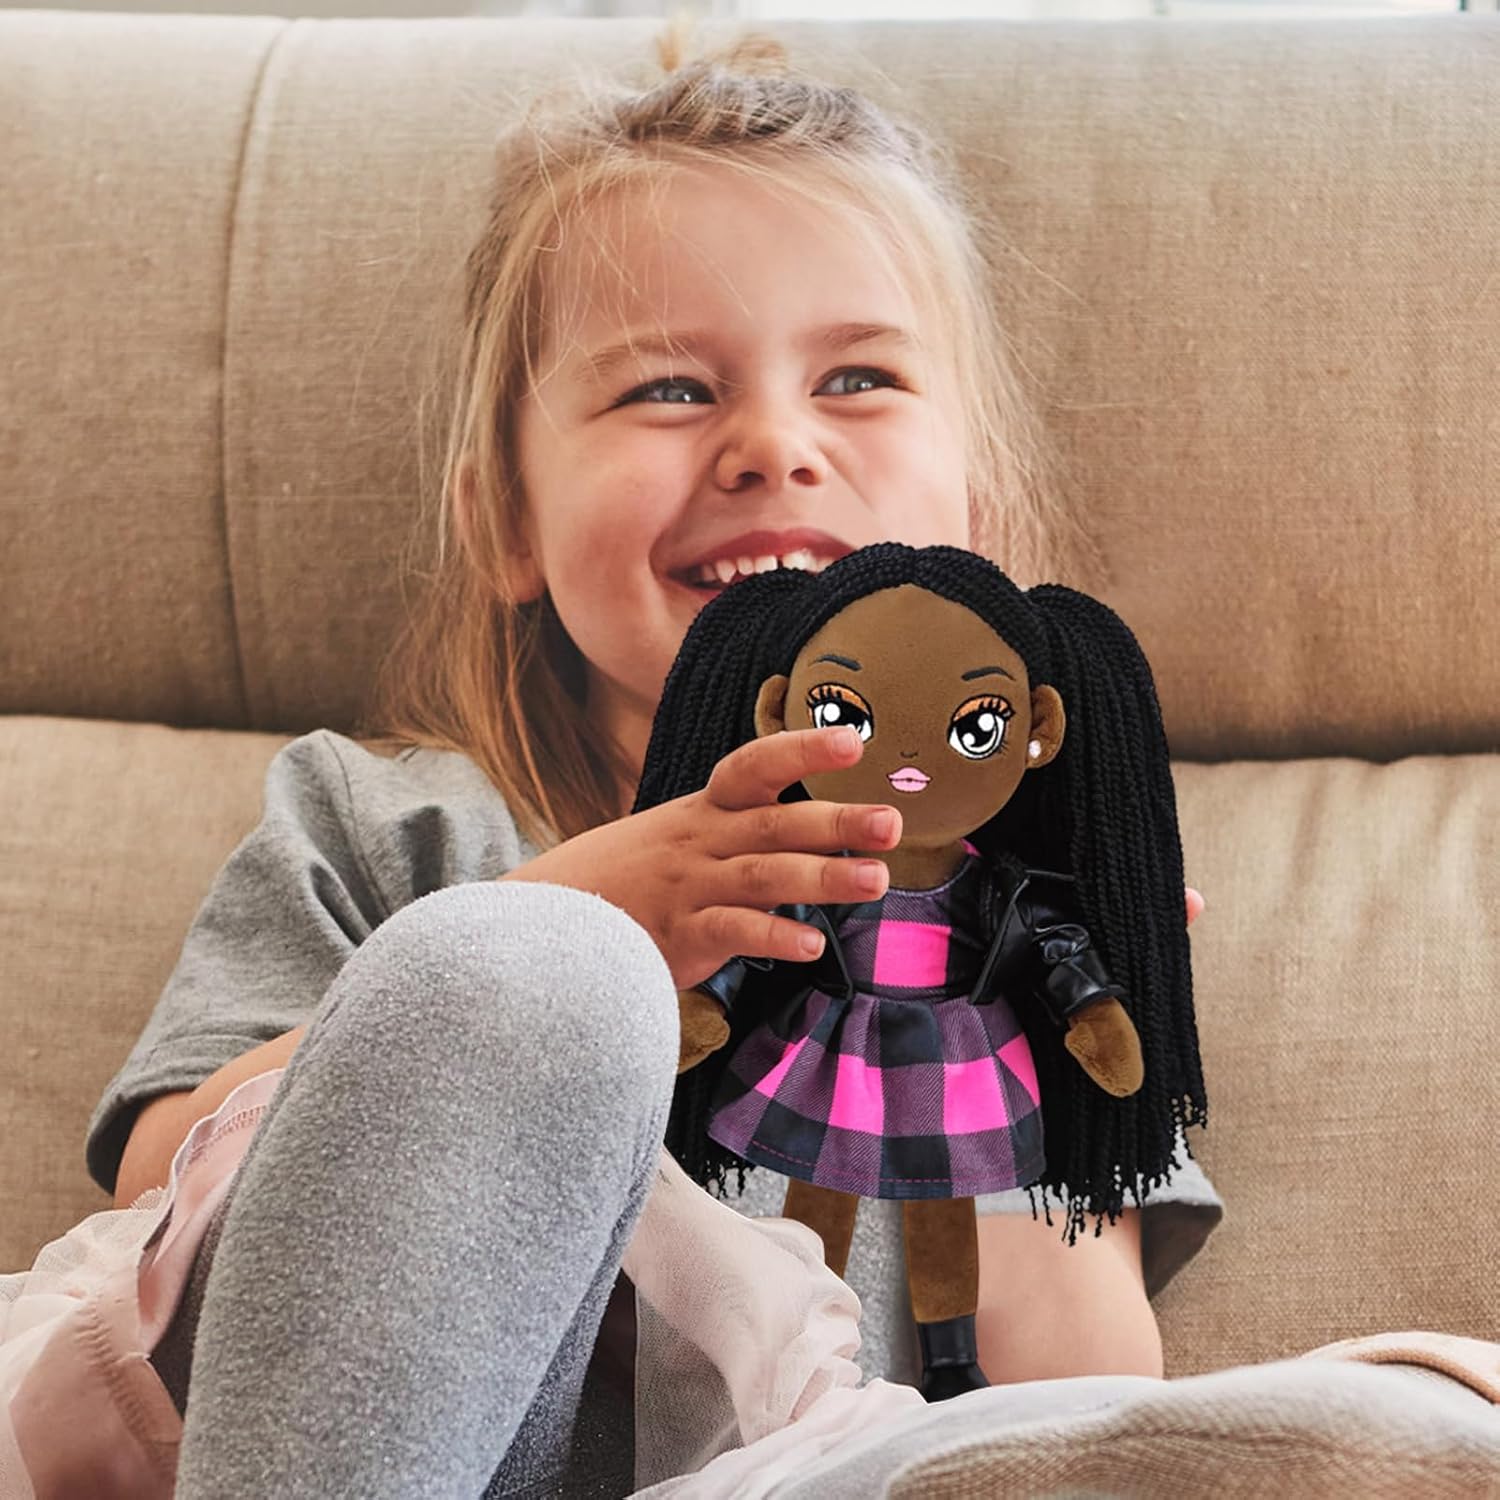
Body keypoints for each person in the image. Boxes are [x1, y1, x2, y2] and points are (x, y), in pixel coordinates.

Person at [0, 27, 1221, 1498]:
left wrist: (1045, 1057)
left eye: (858, 379)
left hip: (775, 1473)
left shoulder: (1018, 915)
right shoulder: (390, 821)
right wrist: (581, 918)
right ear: (508, 523)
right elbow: (165, 1179)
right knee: (532, 972)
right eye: (668, 391)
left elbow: (1076, 1409)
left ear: (977, 526)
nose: (774, 445)